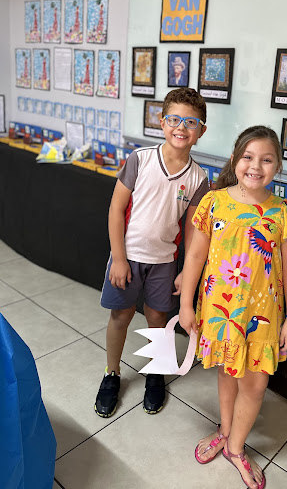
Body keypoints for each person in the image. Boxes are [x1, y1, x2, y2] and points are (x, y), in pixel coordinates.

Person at [179, 125, 287, 489]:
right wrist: (186, 304)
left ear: (277, 167)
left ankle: (235, 447)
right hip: (220, 311)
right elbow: (195, 256)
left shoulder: (283, 212)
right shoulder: (213, 202)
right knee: (226, 372)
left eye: (266, 160)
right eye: (248, 157)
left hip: (263, 317)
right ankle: (225, 429)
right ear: (235, 160)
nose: (256, 166)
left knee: (255, 385)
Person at [95, 87, 209, 418]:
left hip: (164, 262)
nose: (181, 127)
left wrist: (186, 271)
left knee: (158, 319)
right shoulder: (141, 159)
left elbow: (192, 231)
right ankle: (112, 373)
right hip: (128, 256)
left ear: (201, 131)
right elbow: (116, 210)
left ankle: (156, 372)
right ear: (162, 122)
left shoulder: (199, 178)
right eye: (174, 119)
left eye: (191, 122)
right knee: (121, 315)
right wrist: (118, 258)